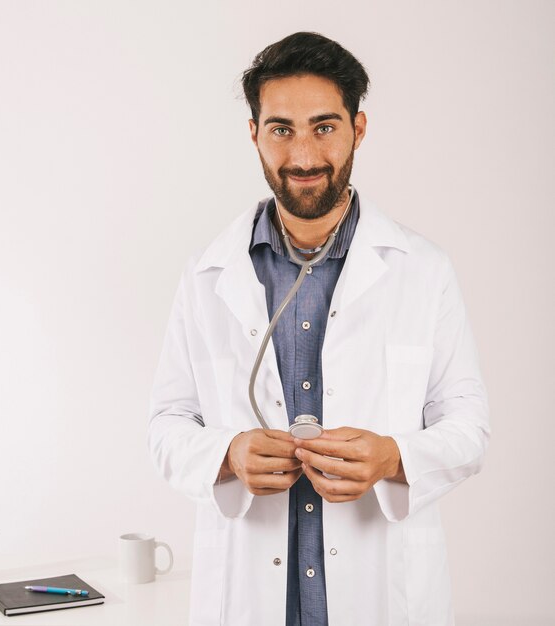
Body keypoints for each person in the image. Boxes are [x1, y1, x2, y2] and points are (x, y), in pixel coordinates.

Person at [148, 31, 490, 626]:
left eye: (324, 127)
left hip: (380, 592)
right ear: (254, 134)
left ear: (359, 129)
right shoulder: (207, 275)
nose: (303, 155)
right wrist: (225, 455)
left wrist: (392, 457)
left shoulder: (423, 270)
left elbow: (469, 427)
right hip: (251, 596)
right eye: (282, 129)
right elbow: (166, 424)